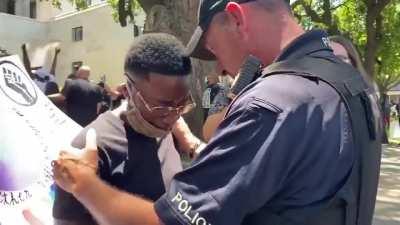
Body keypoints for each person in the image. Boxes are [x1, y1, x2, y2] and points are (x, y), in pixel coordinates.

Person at [52, 1, 382, 225]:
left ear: (237, 18)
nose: (220, 65)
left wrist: (81, 182)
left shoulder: (271, 103)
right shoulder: (351, 82)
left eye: (213, 47)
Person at [52, 33, 195, 225]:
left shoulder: (168, 129)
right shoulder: (91, 151)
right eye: (161, 107)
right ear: (127, 90)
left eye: (182, 104)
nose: (173, 116)